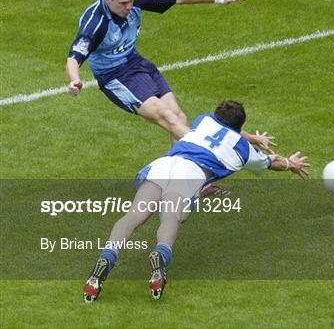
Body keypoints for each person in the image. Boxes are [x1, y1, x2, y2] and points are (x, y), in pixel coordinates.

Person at [83, 100, 309, 302]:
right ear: (240, 126)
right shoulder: (244, 151)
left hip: (165, 164)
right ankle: (160, 255)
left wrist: (252, 136)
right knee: (172, 217)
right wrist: (290, 164)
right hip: (191, 173)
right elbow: (272, 162)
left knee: (134, 215)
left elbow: (230, 129)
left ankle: (106, 258)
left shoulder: (204, 120)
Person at [65, 0, 273, 150]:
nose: (130, 7)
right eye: (123, 3)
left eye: (131, 1)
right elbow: (74, 57)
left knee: (178, 117)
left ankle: (179, 185)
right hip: (115, 77)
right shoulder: (96, 23)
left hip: (136, 63)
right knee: (169, 119)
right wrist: (75, 80)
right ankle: (214, 153)